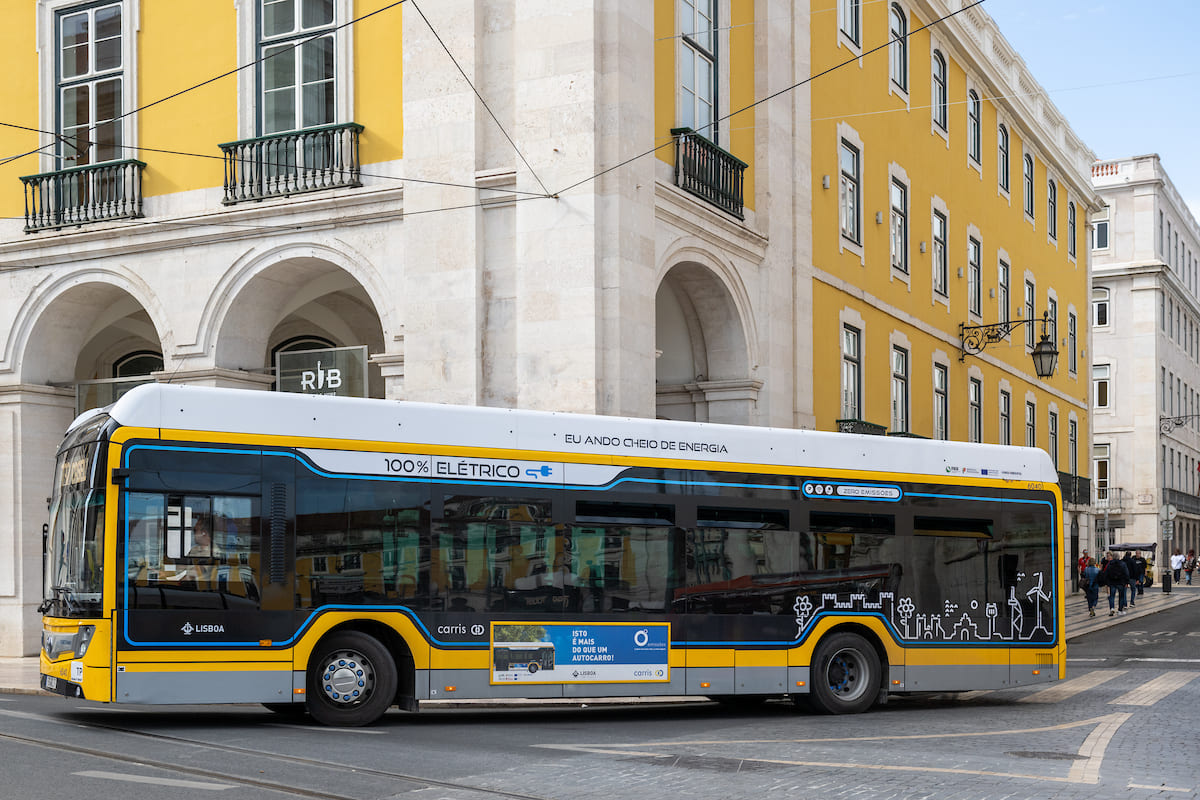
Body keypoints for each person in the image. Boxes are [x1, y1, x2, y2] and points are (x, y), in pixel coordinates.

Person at [1105, 552, 1130, 616]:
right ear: (1119, 557)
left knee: (1112, 596)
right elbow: (1126, 573)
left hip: (1112, 582)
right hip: (1121, 582)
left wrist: (1107, 582)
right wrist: (1127, 582)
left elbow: (1106, 573)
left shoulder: (1110, 564)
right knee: (1121, 596)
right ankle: (1120, 610)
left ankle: (1112, 608)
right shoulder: (1123, 564)